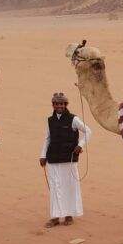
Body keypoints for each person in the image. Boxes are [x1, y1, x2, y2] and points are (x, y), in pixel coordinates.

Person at [39, 92, 92, 227]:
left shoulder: (73, 119)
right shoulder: (49, 121)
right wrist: (43, 155)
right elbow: (47, 139)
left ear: (65, 105)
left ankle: (69, 215)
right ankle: (55, 217)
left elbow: (88, 131)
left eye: (61, 104)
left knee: (69, 186)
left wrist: (80, 145)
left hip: (69, 159)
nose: (59, 106)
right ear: (53, 105)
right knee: (55, 187)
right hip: (53, 159)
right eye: (56, 104)